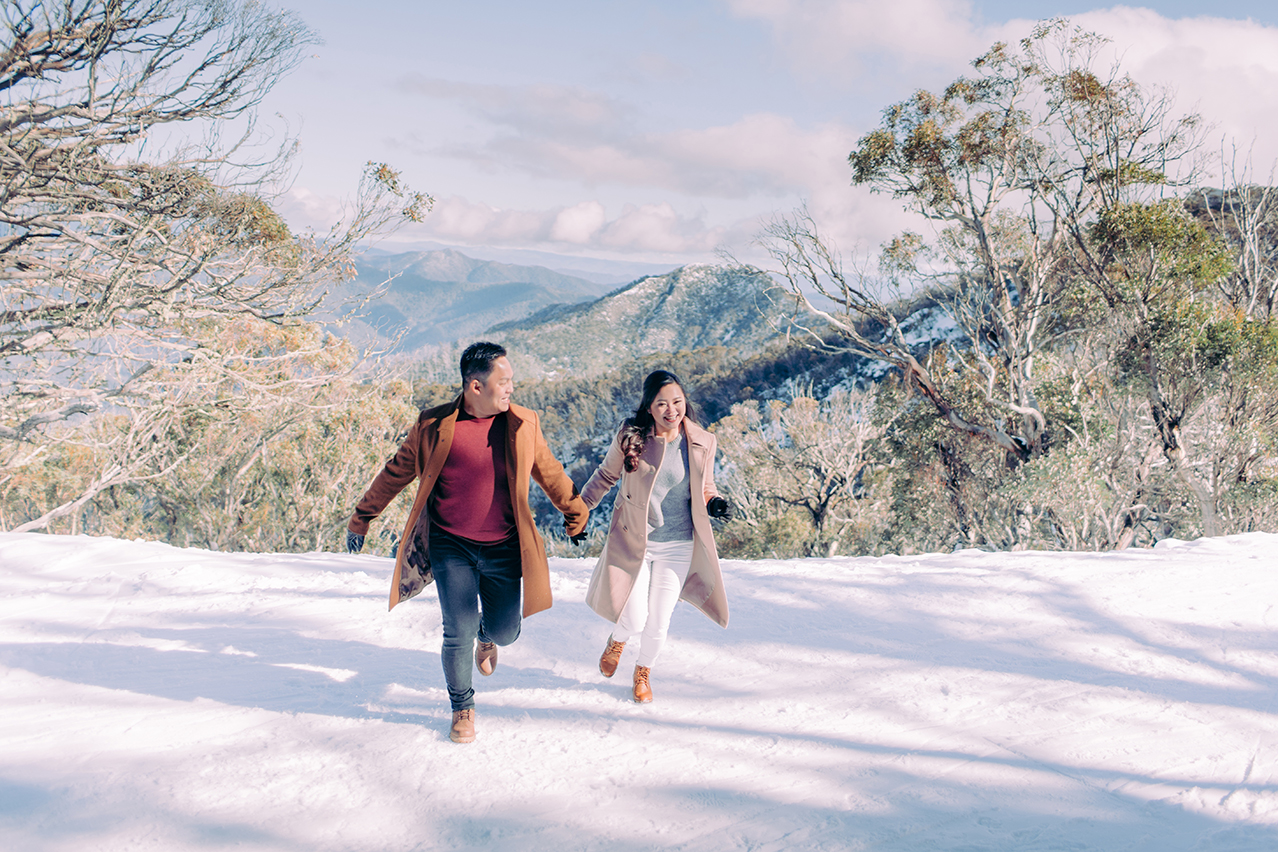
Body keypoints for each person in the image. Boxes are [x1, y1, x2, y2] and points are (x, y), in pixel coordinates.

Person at [345, 341, 588, 743]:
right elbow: (396, 472)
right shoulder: (434, 426)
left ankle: (488, 637)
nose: (511, 388)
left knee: (506, 630)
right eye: (504, 381)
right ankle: (463, 706)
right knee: (456, 629)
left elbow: (550, 472)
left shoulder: (522, 424)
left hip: (504, 547)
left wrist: (575, 515)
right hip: (450, 545)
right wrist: (362, 517)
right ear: (476, 387)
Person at [580, 370, 731, 703]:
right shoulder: (631, 437)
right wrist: (580, 511)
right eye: (661, 403)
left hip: (678, 545)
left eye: (677, 402)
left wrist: (714, 502)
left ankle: (642, 671)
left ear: (684, 402)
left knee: (659, 622)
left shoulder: (702, 441)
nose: (671, 410)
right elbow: (605, 476)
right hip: (636, 540)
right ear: (649, 406)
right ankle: (618, 640)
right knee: (634, 618)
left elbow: (706, 486)